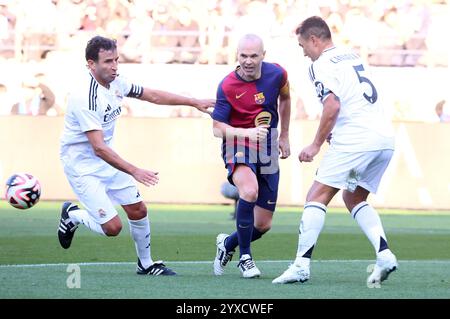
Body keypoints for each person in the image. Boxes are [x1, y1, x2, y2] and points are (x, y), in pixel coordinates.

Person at [58, 35, 214, 276]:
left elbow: (151, 95)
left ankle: (146, 263)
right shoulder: (84, 97)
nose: (114, 66)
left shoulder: (117, 83)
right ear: (91, 64)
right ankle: (73, 216)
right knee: (112, 227)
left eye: (116, 60)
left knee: (138, 210)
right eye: (108, 61)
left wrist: (193, 102)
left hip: (108, 161)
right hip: (83, 167)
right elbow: (98, 147)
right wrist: (135, 171)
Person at [273, 16, 397, 285]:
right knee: (353, 197)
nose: (303, 51)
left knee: (316, 195)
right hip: (382, 141)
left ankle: (301, 265)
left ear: (314, 40)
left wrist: (315, 144)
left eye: (302, 44)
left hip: (356, 142)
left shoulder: (321, 64)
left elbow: (332, 106)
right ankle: (384, 254)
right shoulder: (352, 56)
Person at [212, 34, 291, 278]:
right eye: (243, 56)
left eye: (253, 56)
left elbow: (286, 98)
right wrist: (246, 132)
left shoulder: (277, 74)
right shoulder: (227, 85)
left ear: (263, 56)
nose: (247, 61)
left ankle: (227, 245)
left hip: (267, 148)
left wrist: (284, 135)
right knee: (249, 191)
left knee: (263, 224)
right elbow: (217, 128)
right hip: (237, 145)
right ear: (237, 55)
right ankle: (245, 258)